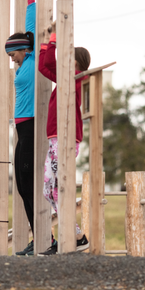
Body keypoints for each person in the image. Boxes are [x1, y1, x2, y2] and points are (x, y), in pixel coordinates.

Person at [37, 21, 91, 256]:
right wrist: (45, 41)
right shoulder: (67, 79)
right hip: (55, 139)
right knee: (48, 190)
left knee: (59, 189)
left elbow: (49, 63)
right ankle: (75, 234)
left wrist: (55, 36)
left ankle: (71, 237)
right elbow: (43, 66)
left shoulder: (76, 78)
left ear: (76, 64)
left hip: (66, 139)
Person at [6, 0, 39, 256]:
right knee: (21, 184)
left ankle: (42, 238)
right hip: (21, 129)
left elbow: (34, 27)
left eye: (12, 54)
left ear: (22, 49)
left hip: (30, 127)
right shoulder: (22, 64)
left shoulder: (32, 58)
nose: (12, 60)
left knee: (28, 183)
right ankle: (40, 236)